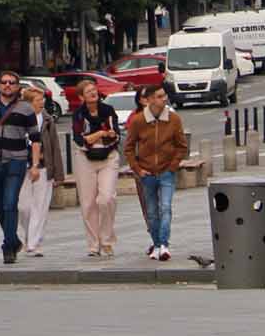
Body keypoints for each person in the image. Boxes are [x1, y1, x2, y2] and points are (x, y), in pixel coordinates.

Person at [0, 70, 41, 265]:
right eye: (4, 82)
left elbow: (35, 139)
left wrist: (34, 164)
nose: (7, 85)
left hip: (16, 161)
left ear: (18, 87)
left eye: (12, 82)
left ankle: (7, 247)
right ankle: (13, 240)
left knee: (10, 202)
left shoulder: (25, 109)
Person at [124, 82, 190, 262]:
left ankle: (164, 245)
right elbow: (129, 147)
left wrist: (173, 166)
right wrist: (137, 169)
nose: (164, 99)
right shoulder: (139, 121)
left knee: (165, 208)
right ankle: (156, 244)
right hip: (147, 173)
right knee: (152, 212)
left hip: (166, 171)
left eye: (164, 96)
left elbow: (181, 146)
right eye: (160, 97)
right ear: (150, 100)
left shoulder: (173, 119)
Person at [68, 77, 122, 257]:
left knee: (106, 198)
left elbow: (114, 136)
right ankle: (93, 244)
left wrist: (97, 137)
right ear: (82, 97)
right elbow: (79, 139)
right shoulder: (78, 114)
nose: (93, 93)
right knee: (88, 203)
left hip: (108, 157)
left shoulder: (108, 110)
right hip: (85, 158)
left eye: (94, 89)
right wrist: (100, 133)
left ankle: (107, 239)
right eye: (88, 91)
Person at [16, 84, 62, 256]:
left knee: (40, 206)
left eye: (42, 99)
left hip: (44, 167)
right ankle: (30, 236)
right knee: (23, 207)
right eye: (37, 100)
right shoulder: (20, 119)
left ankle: (34, 243)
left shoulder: (48, 120)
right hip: (23, 166)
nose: (41, 103)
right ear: (28, 103)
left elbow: (55, 147)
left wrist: (58, 173)